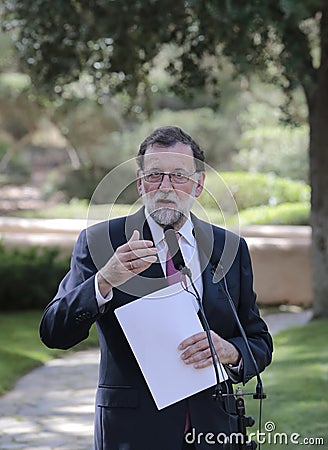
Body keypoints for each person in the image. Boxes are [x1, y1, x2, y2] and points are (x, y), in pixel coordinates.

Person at [40, 126, 273, 450]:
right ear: (139, 182)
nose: (166, 187)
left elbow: (258, 339)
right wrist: (103, 280)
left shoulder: (228, 247)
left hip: (216, 429)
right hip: (133, 432)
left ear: (198, 184)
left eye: (179, 175)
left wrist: (230, 351)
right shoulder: (100, 242)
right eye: (154, 176)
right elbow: (54, 332)